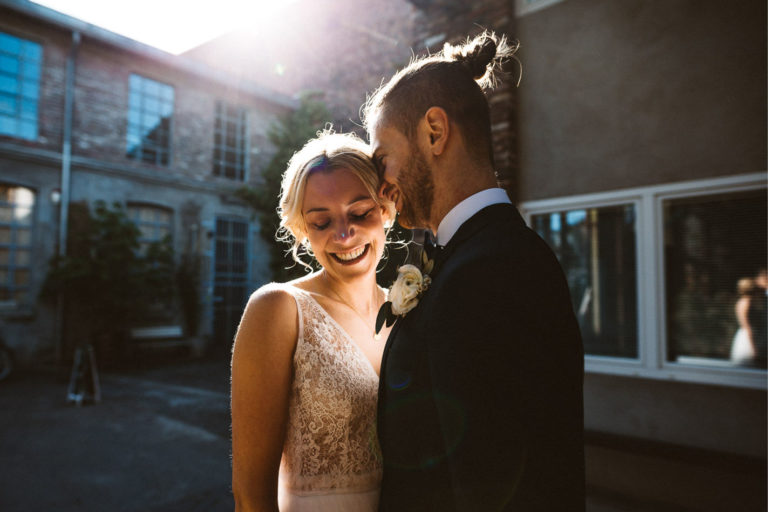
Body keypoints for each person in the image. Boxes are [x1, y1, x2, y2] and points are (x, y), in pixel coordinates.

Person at [363, 31, 585, 510]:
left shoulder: (492, 272)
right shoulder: (475, 257)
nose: (381, 188)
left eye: (383, 160)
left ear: (435, 132)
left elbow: (506, 488)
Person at [230, 131, 396, 511]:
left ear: (385, 209)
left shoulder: (409, 311)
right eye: (321, 223)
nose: (343, 234)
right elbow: (250, 497)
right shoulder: (279, 309)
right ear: (304, 232)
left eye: (359, 213)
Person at [730, 277, 757, 365]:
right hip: (747, 336)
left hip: (743, 334)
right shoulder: (747, 302)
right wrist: (753, 347)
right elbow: (746, 325)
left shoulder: (741, 301)